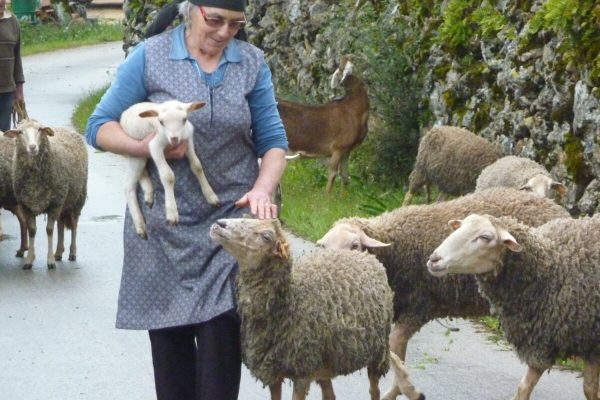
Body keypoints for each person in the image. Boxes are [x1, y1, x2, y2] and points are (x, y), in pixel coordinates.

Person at [84, 0, 288, 398]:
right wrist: (143, 147)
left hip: (228, 226)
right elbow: (98, 126)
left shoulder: (251, 63)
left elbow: (274, 141)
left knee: (221, 336)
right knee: (171, 351)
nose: (225, 33)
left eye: (235, 24)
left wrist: (262, 189)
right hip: (163, 229)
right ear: (190, 11)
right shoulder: (150, 56)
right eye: (215, 20)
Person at [0, 0, 25, 131]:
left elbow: (17, 57)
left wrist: (19, 89)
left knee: (4, 137)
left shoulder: (13, 22)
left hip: (6, 91)